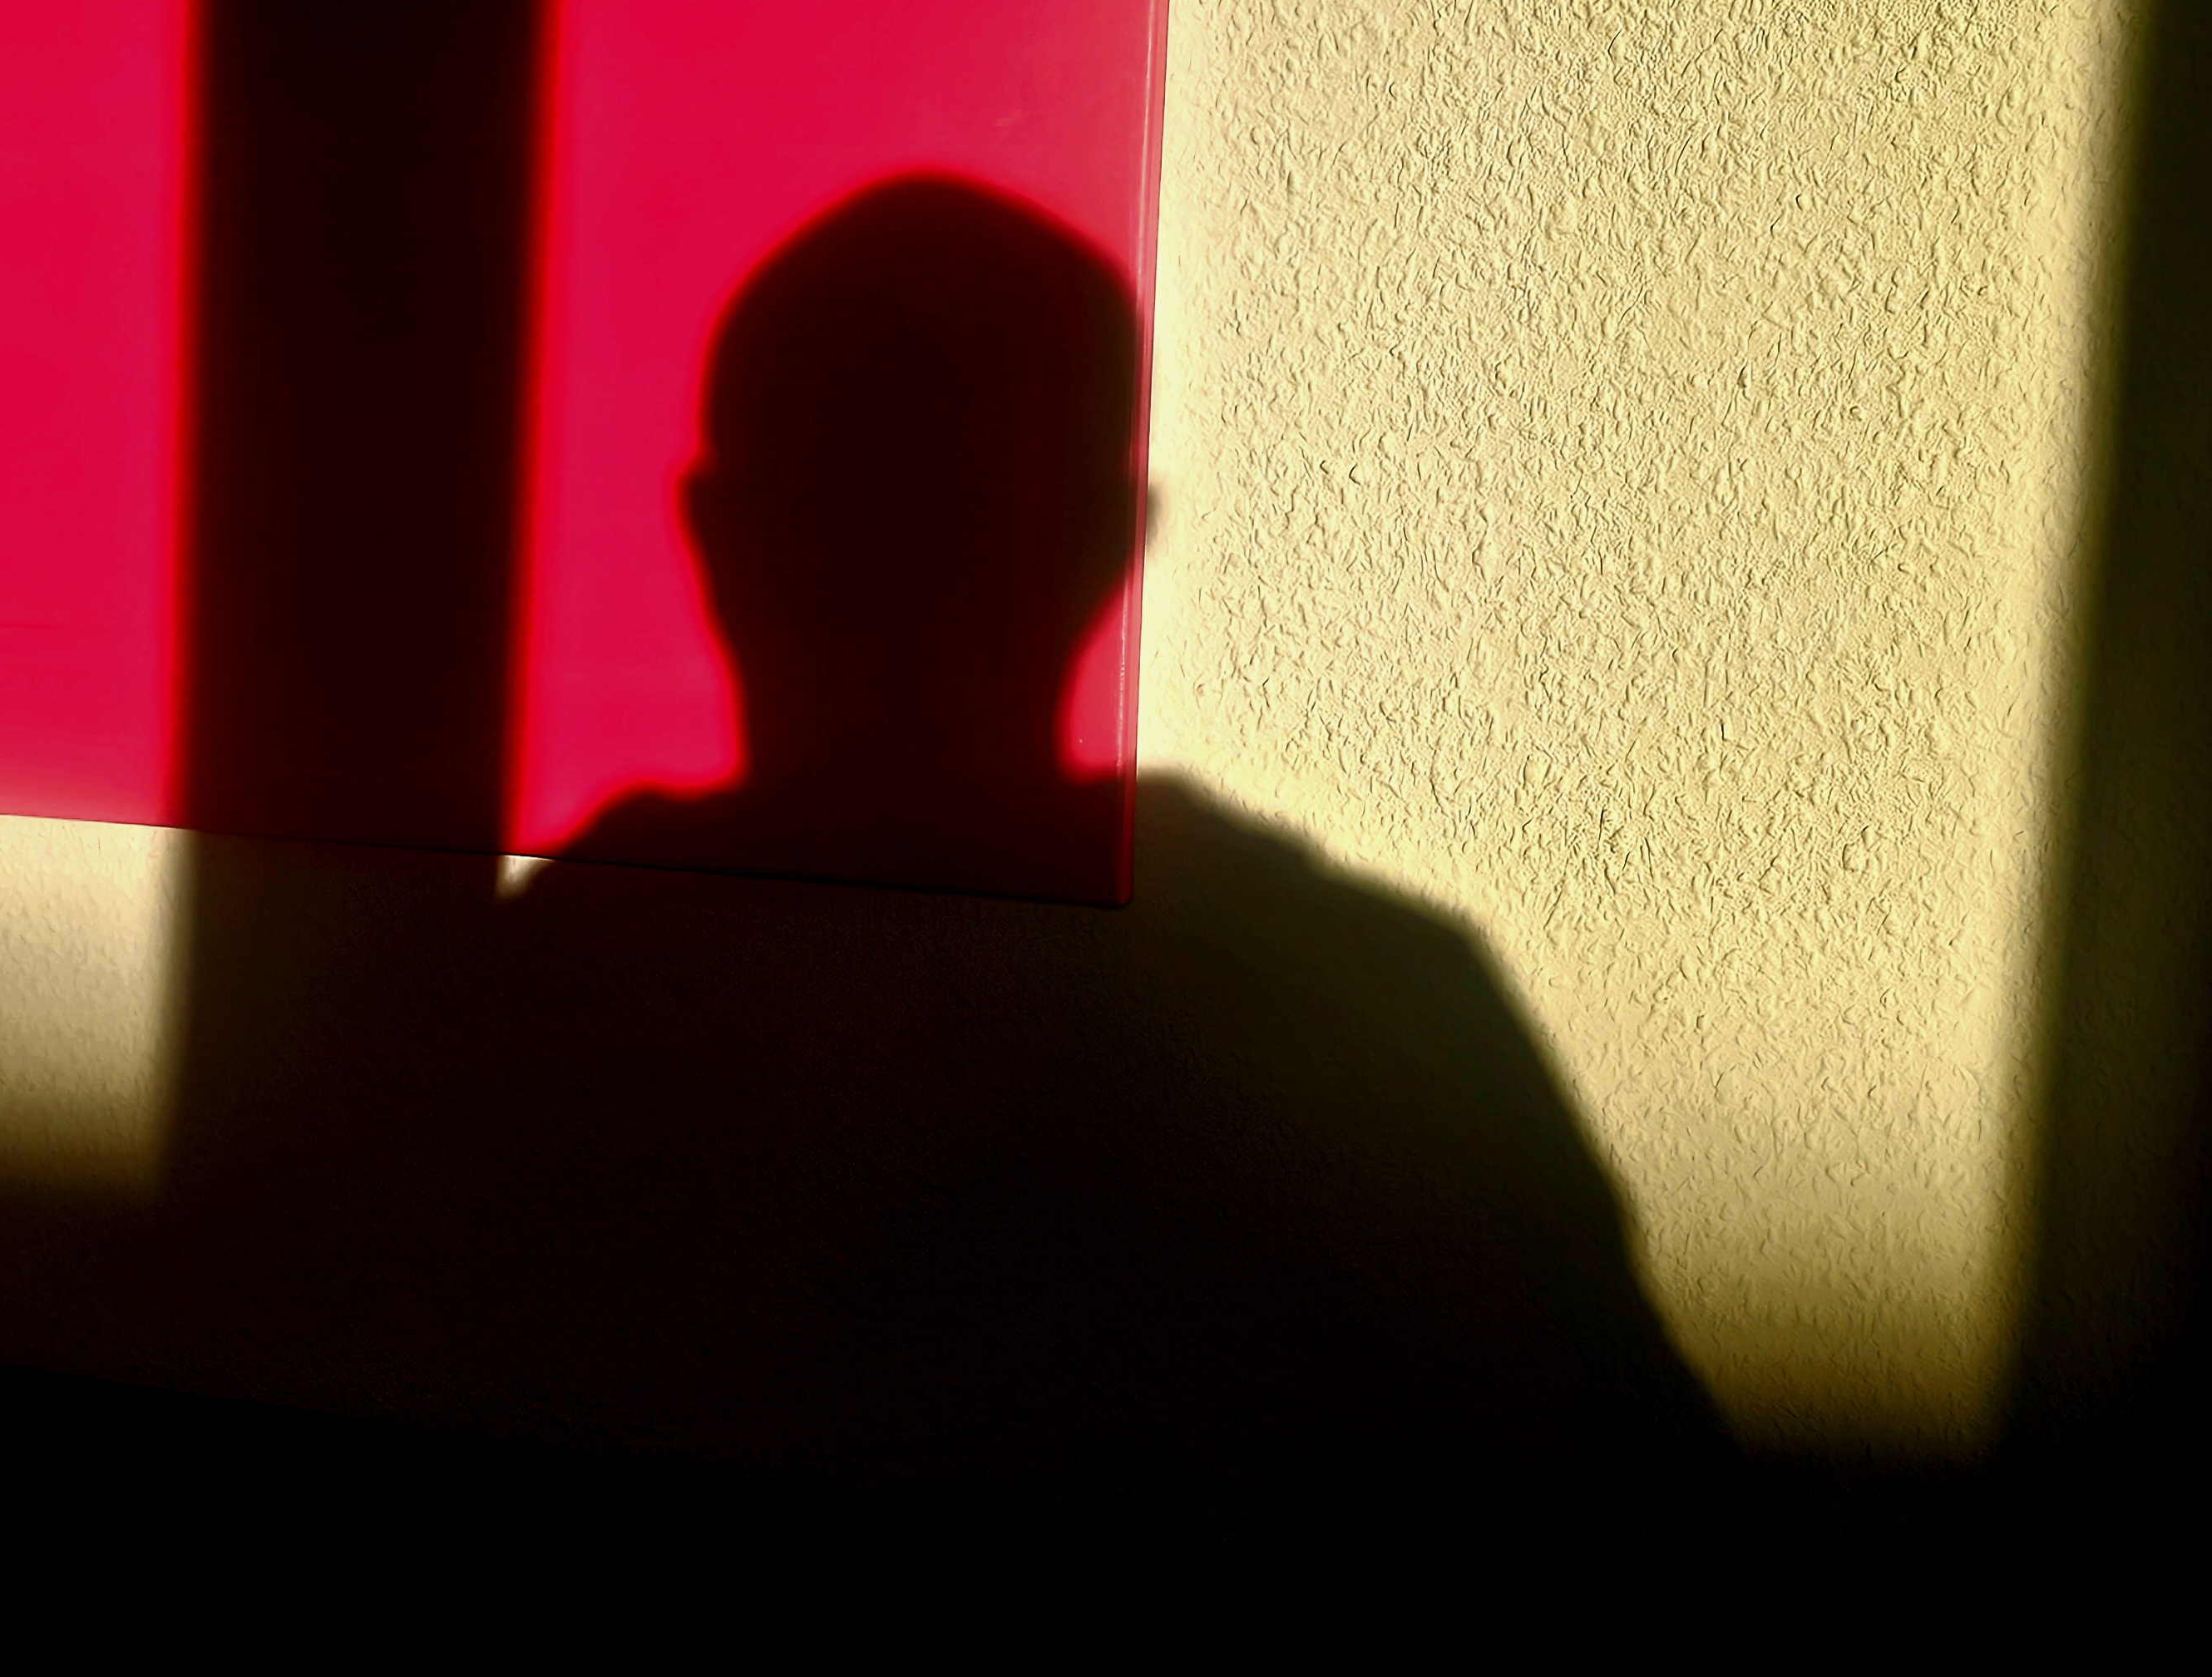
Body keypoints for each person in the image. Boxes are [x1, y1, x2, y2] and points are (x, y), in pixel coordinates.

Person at [295, 175, 1731, 1502]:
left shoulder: (518, 1015)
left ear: (718, 537)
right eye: (863, 507)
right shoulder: (1362, 1007)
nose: (899, 591)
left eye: (935, 508)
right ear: (1110, 543)